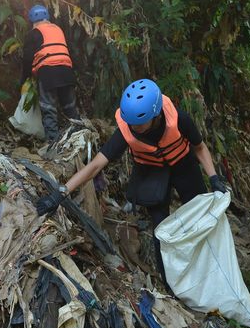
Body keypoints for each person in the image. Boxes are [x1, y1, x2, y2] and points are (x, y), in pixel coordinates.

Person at [35, 79, 227, 280]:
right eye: (131, 123)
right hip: (151, 172)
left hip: (183, 166)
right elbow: (95, 166)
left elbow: (199, 147)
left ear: (156, 114)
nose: (134, 128)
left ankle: (212, 271)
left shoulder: (179, 119)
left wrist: (213, 178)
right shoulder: (128, 130)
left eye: (140, 123)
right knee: (160, 230)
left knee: (201, 217)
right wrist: (60, 193)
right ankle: (172, 282)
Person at [20, 4, 79, 142]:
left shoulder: (34, 33)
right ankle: (78, 139)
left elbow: (27, 58)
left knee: (49, 109)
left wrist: (24, 78)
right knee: (70, 108)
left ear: (32, 21)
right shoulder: (58, 29)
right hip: (66, 71)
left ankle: (53, 143)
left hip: (48, 73)